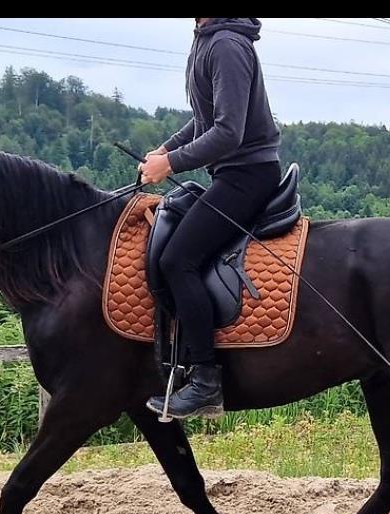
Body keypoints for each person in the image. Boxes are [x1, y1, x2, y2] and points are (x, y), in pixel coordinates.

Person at [139, 18, 281, 420]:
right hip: (232, 173)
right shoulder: (207, 38)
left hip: (247, 175)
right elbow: (204, 119)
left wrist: (170, 163)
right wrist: (166, 147)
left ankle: (204, 381)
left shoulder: (226, 44)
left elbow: (228, 131)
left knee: (177, 260)